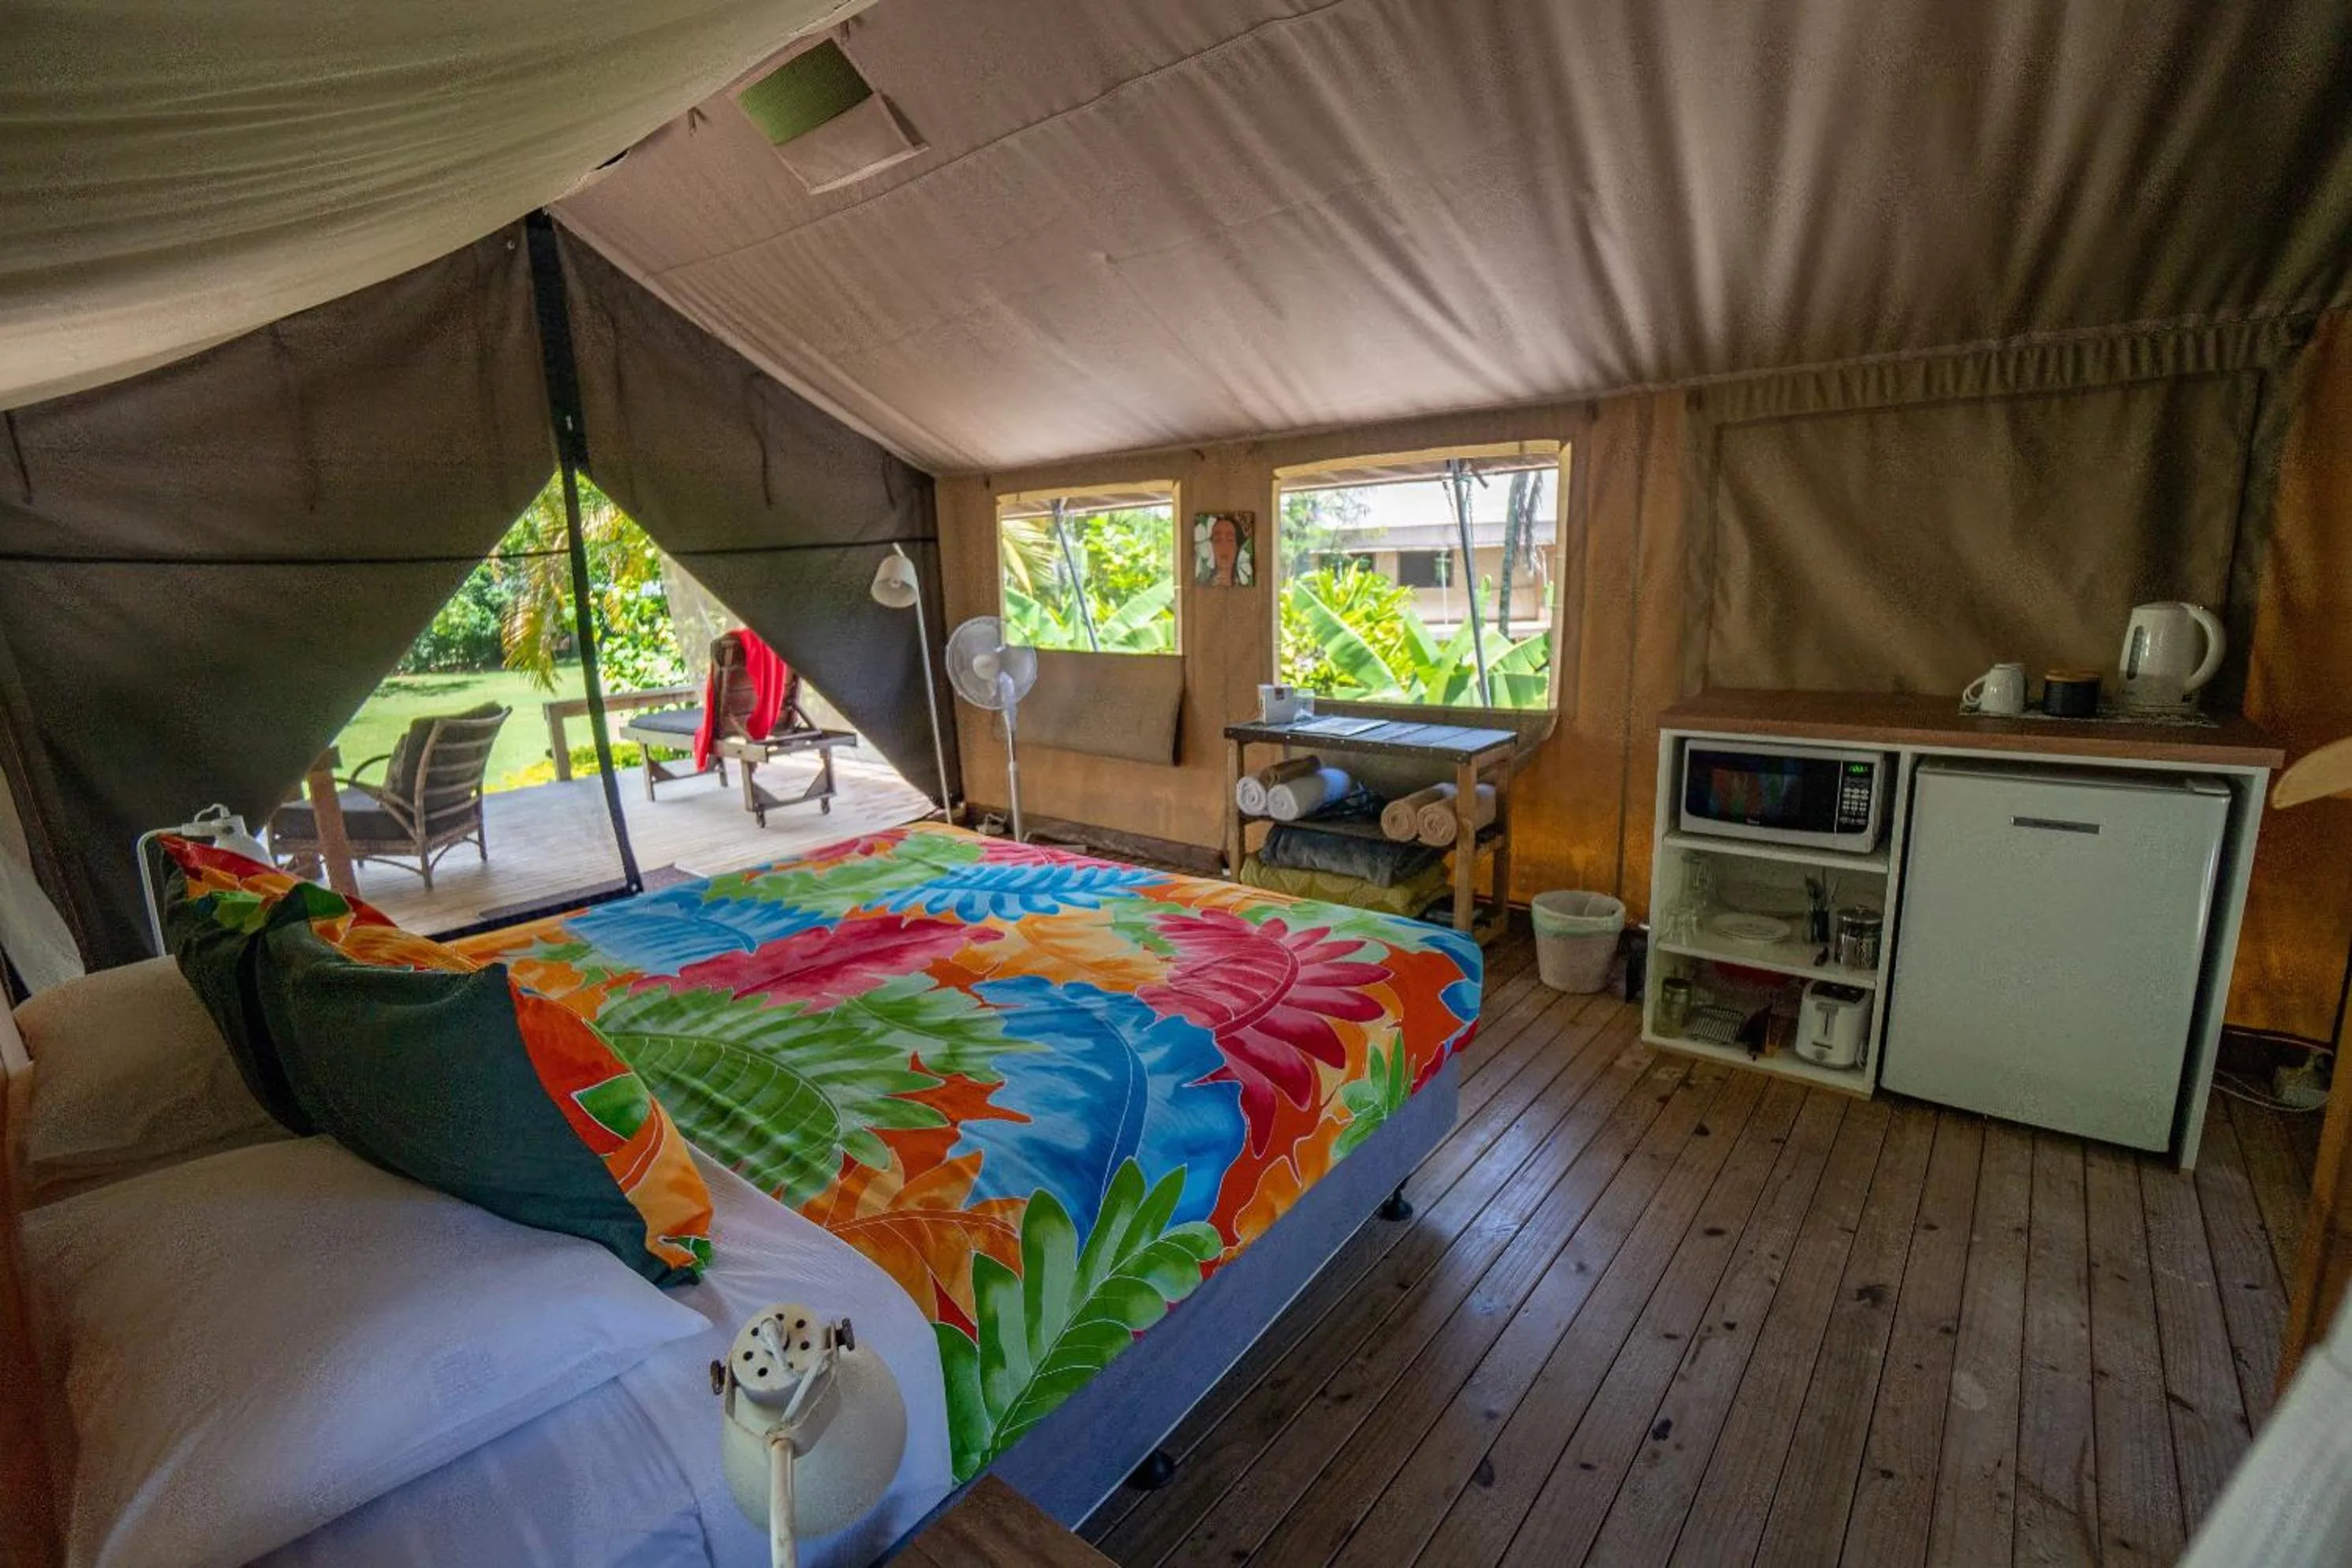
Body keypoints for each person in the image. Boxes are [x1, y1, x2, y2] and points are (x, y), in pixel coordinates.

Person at [1199, 513, 1253, 586]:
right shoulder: (1202, 588)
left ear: (1237, 547)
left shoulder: (1246, 589)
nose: (1223, 546)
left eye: (1230, 540)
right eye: (1218, 540)